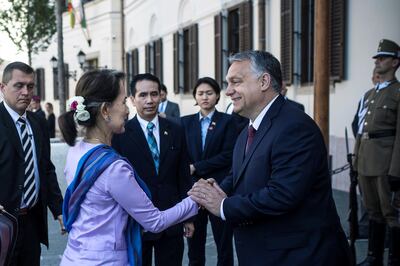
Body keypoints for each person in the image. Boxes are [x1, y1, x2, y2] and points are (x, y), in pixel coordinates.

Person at [188, 50, 350, 266]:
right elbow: (239, 175)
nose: (228, 91)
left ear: (264, 81)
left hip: (298, 256)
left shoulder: (294, 127)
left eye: (236, 82)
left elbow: (282, 194)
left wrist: (224, 205)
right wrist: (215, 188)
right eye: (228, 83)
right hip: (264, 252)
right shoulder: (248, 128)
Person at [58, 69, 198, 265]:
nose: (126, 110)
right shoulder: (113, 168)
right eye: (123, 102)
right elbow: (154, 222)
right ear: (105, 110)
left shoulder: (76, 150)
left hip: (75, 256)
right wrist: (197, 199)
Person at [112, 73, 194, 266]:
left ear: (161, 96)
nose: (149, 100)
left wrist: (189, 216)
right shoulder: (120, 134)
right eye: (142, 95)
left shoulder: (176, 130)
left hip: (172, 219)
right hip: (136, 222)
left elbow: (183, 175)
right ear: (132, 99)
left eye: (154, 94)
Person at [0, 61, 64, 266]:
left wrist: (59, 209)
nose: (25, 92)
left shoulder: (38, 123)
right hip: (3, 224)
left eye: (30, 86)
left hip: (32, 224)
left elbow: (46, 169)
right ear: (2, 88)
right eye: (18, 85)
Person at [353, 39, 400, 266]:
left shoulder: (398, 93)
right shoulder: (370, 95)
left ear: (395, 62)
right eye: (377, 57)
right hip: (366, 161)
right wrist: (355, 163)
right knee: (372, 211)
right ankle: (374, 257)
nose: (378, 60)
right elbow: (361, 131)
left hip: (386, 162)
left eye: (383, 57)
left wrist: (396, 170)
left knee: (390, 212)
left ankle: (394, 258)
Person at [181, 77, 237, 266]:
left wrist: (197, 166)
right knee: (194, 244)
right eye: (200, 93)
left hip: (219, 188)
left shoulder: (228, 122)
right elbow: (181, 154)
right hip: (193, 190)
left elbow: (229, 154)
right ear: (195, 97)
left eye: (209, 93)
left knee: (223, 243)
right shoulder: (184, 123)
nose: (205, 97)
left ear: (217, 96)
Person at [351, 67, 382, 138]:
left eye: (382, 77)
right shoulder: (366, 97)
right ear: (373, 80)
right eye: (378, 77)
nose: (380, 80)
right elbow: (356, 123)